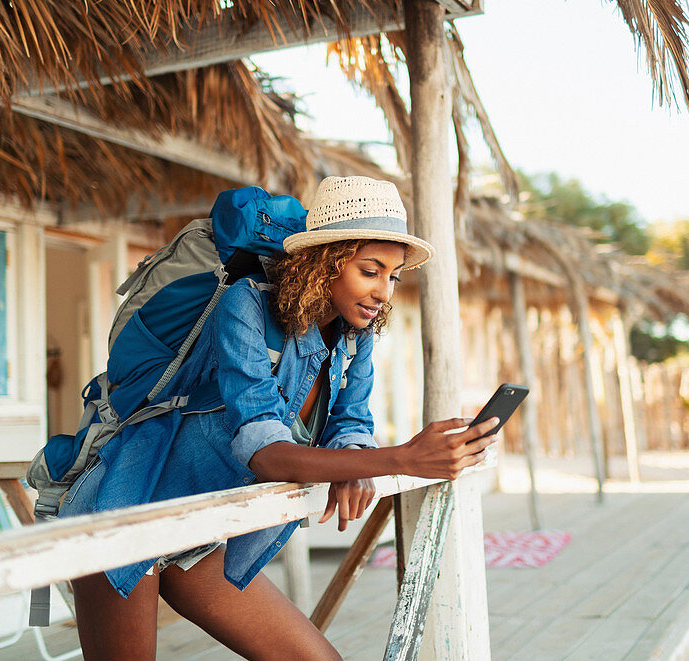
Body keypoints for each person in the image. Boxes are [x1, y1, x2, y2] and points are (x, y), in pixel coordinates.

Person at [60, 176, 499, 660]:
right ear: (326, 262)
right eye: (370, 270)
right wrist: (403, 459)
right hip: (126, 508)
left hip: (199, 532)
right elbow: (265, 452)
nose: (383, 292)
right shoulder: (244, 303)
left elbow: (351, 422)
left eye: (393, 276)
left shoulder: (357, 335)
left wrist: (354, 458)